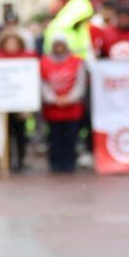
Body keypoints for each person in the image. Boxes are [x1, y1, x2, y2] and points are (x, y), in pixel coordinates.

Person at [41, 37, 87, 173]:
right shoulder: (44, 62)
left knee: (70, 137)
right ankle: (55, 163)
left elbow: (80, 83)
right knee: (54, 137)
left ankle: (69, 162)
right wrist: (53, 99)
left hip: (72, 108)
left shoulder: (77, 62)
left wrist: (70, 98)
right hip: (52, 108)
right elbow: (43, 83)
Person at [0, 29, 33, 172]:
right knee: (6, 135)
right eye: (8, 43)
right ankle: (8, 161)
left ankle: (21, 161)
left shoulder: (27, 58)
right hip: (3, 104)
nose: (11, 46)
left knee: (20, 134)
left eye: (14, 43)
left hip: (20, 104)